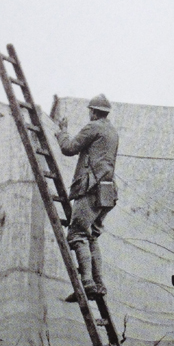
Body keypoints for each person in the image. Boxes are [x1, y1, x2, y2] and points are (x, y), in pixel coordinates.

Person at [55, 94, 119, 302]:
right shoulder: (113, 132)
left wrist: (62, 132)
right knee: (92, 236)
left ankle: (88, 284)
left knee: (76, 235)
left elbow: (68, 148)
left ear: (93, 111)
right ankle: (97, 283)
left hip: (91, 189)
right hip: (108, 193)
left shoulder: (93, 127)